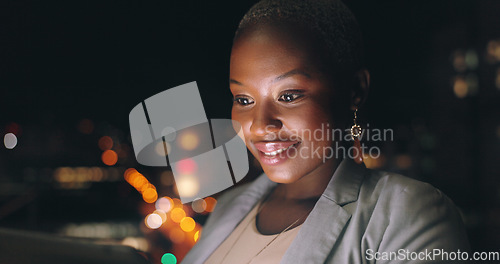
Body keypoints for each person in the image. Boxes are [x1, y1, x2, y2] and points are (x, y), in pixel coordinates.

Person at [182, 0, 470, 263]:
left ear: (355, 91)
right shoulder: (230, 207)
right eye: (244, 100)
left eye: (289, 95)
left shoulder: (406, 213)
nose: (260, 125)